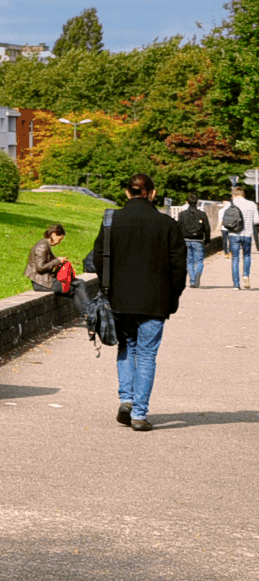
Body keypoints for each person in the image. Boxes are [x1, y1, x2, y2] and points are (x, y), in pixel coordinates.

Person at [89, 172, 186, 431]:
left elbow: (98, 259)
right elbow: (179, 268)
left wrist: (108, 287)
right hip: (155, 301)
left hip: (119, 299)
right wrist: (172, 298)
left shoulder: (112, 220)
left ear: (127, 193)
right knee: (146, 355)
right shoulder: (167, 224)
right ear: (152, 194)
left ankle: (126, 399)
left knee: (126, 347)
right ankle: (139, 414)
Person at [225, 184, 259, 288]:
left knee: (235, 258)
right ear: (243, 194)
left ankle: (236, 284)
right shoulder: (251, 204)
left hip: (233, 234)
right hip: (247, 234)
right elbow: (257, 220)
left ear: (234, 194)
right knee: (247, 255)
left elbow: (225, 220)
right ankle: (246, 274)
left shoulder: (229, 204)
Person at [26, 224, 73, 294]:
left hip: (45, 280)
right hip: (40, 283)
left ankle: (88, 305)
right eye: (59, 239)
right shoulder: (41, 247)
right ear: (53, 235)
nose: (59, 242)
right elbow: (40, 268)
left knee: (76, 285)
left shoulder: (45, 245)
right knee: (71, 289)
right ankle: (88, 305)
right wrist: (57, 261)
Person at [177, 195, 211, 288]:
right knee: (199, 260)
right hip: (198, 240)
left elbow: (178, 228)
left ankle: (192, 281)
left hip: (186, 240)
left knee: (189, 261)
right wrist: (207, 240)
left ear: (187, 201)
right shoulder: (202, 214)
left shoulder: (182, 214)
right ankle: (198, 274)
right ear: (197, 202)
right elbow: (207, 228)